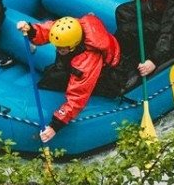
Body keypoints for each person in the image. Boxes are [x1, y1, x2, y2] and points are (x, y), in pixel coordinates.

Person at [16, 14, 133, 143]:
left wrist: (55, 125)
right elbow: (48, 29)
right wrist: (31, 30)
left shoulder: (86, 61)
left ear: (74, 44)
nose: (58, 49)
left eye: (62, 48)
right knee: (49, 78)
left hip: (109, 75)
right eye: (57, 46)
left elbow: (78, 96)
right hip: (86, 58)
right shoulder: (72, 28)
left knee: (56, 81)